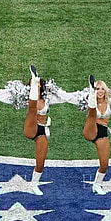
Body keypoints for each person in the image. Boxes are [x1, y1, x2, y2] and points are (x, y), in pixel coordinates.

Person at [25, 65, 80, 195]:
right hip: (30, 127)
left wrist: (84, 97)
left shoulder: (47, 99)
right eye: (34, 84)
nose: (36, 87)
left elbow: (66, 98)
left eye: (37, 85)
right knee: (32, 107)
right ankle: (34, 76)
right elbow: (3, 96)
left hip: (42, 130)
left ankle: (34, 184)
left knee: (41, 161)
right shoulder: (23, 97)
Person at [81, 75, 111, 195]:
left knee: (105, 164)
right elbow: (70, 98)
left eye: (102, 89)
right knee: (92, 112)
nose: (100, 91)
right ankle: (90, 90)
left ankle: (97, 185)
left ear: (105, 91)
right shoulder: (86, 100)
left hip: (102, 132)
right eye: (97, 89)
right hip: (90, 128)